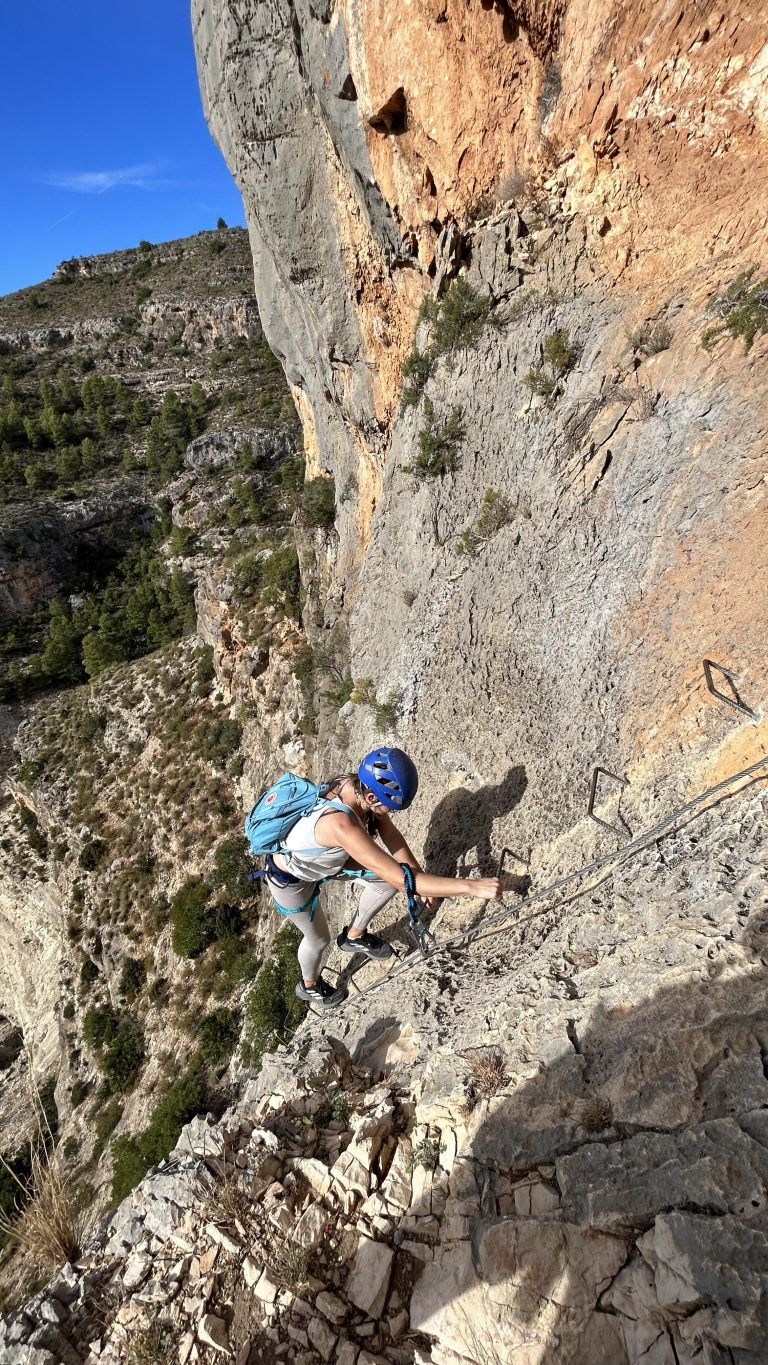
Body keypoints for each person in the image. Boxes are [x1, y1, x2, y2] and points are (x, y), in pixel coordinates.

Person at [264, 747, 503, 1008]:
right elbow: (403, 880)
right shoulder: (340, 824)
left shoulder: (354, 786)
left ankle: (354, 936)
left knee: (385, 881)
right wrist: (471, 887)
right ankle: (309, 986)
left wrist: (419, 875)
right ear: (370, 795)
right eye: (388, 807)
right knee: (319, 938)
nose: (389, 813)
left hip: (328, 859)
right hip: (291, 878)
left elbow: (392, 838)